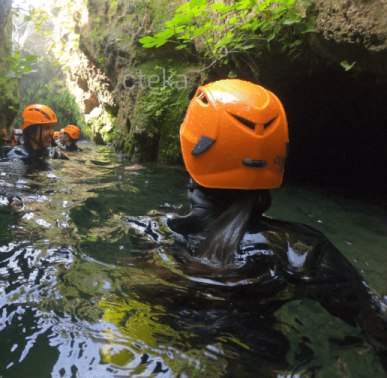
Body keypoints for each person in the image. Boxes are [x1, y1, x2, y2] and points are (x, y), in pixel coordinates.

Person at [130, 79, 387, 367]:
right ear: (278, 156)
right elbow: (375, 323)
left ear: (193, 149)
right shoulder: (303, 251)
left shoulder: (153, 228)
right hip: (260, 359)